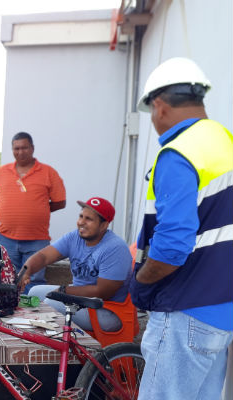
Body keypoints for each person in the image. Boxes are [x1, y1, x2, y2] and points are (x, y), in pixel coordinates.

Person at [129, 57, 233, 399]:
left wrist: (140, 283)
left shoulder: (179, 153)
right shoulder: (225, 140)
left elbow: (173, 247)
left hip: (184, 309)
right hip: (221, 312)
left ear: (159, 106)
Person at [19, 197, 132, 331]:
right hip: (81, 301)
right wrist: (25, 271)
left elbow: (102, 292)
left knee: (51, 303)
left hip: (107, 310)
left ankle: (60, 347)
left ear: (104, 225)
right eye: (81, 216)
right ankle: (49, 343)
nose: (81, 222)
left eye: (89, 219)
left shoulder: (115, 248)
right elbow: (43, 257)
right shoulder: (75, 237)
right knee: (34, 292)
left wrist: (63, 291)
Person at [0, 132, 66, 292]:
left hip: (37, 240)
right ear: (12, 149)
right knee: (7, 278)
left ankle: (32, 315)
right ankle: (10, 311)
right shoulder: (2, 171)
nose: (20, 152)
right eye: (17, 148)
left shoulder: (48, 172)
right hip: (7, 238)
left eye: (25, 148)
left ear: (32, 148)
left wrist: (39, 210)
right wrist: (1, 201)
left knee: (34, 280)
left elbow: (60, 202)